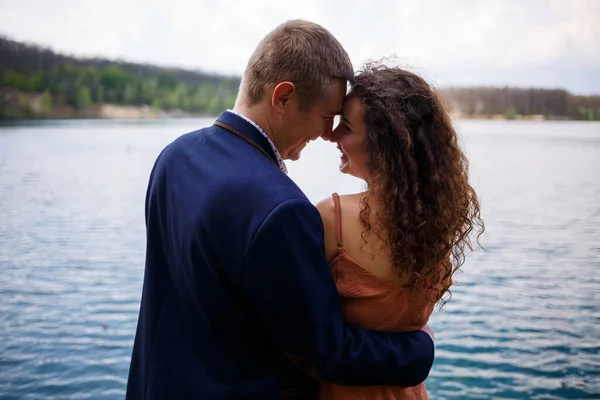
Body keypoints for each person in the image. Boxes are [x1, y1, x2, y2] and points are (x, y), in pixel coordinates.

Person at [126, 20, 435, 399]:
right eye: (326, 118)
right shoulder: (281, 209)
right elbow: (325, 352)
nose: (327, 135)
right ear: (283, 98)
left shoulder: (174, 157)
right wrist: (419, 351)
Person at [317, 63, 485, 399]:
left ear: (384, 145)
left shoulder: (331, 217)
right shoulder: (437, 222)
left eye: (346, 127)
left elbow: (305, 336)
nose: (333, 136)